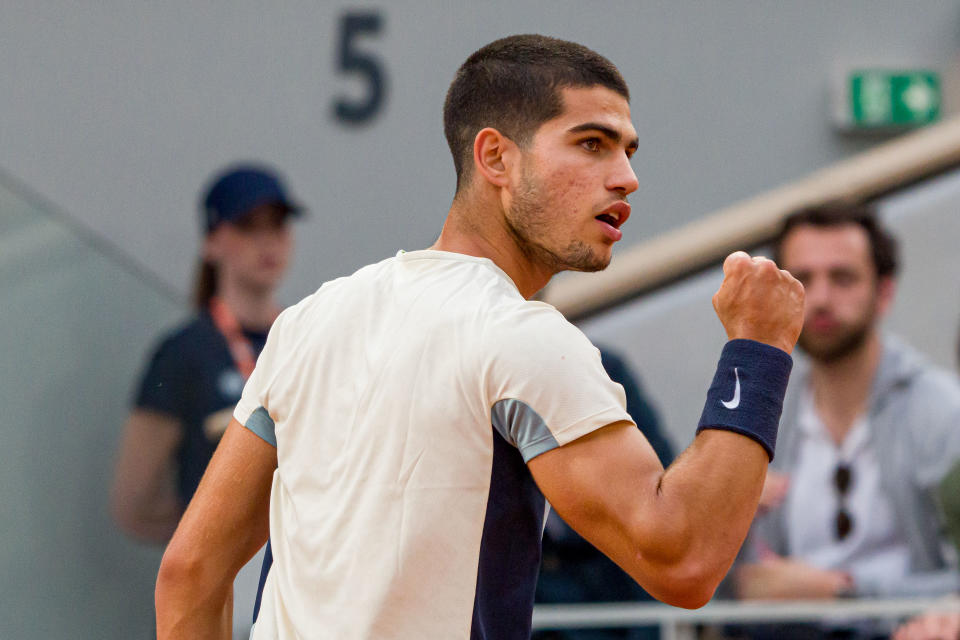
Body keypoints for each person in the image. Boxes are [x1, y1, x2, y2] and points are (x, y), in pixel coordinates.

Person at [155, 34, 804, 640]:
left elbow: (190, 572)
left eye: (628, 151)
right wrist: (759, 349)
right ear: (495, 156)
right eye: (592, 143)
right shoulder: (521, 337)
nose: (626, 178)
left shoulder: (309, 319)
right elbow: (683, 559)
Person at [731, 202, 960, 638]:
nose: (820, 298)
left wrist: (841, 591)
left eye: (843, 277)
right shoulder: (759, 411)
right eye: (802, 280)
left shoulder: (941, 411)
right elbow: (733, 589)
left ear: (885, 292)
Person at [110, 163, 302, 633]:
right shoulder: (183, 355)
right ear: (212, 241)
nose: (267, 241)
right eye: (247, 226)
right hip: (224, 592)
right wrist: (216, 537)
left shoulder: (306, 336)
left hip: (303, 581)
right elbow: (133, 504)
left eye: (276, 224)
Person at [534, 347, 674, 640]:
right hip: (528, 594)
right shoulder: (470, 383)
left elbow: (658, 487)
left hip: (609, 583)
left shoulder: (599, 366)